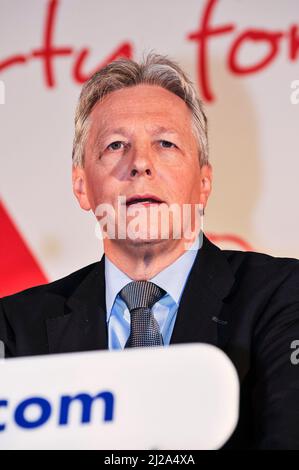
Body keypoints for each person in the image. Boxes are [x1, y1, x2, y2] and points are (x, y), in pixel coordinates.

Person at [1, 53, 299, 450]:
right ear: (81, 186)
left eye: (165, 143)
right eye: (116, 145)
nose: (140, 163)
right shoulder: (15, 328)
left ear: (204, 181)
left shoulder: (282, 297)